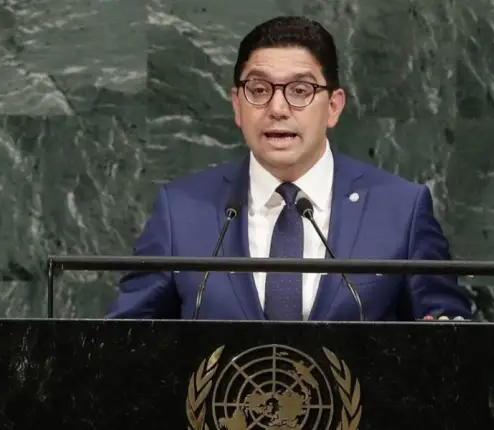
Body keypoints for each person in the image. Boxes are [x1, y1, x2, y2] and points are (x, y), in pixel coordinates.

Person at [106, 16, 473, 321]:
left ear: (333, 107)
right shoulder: (181, 211)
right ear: (236, 105)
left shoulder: (401, 210)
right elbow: (124, 342)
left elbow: (447, 331)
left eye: (299, 90)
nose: (278, 109)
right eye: (259, 89)